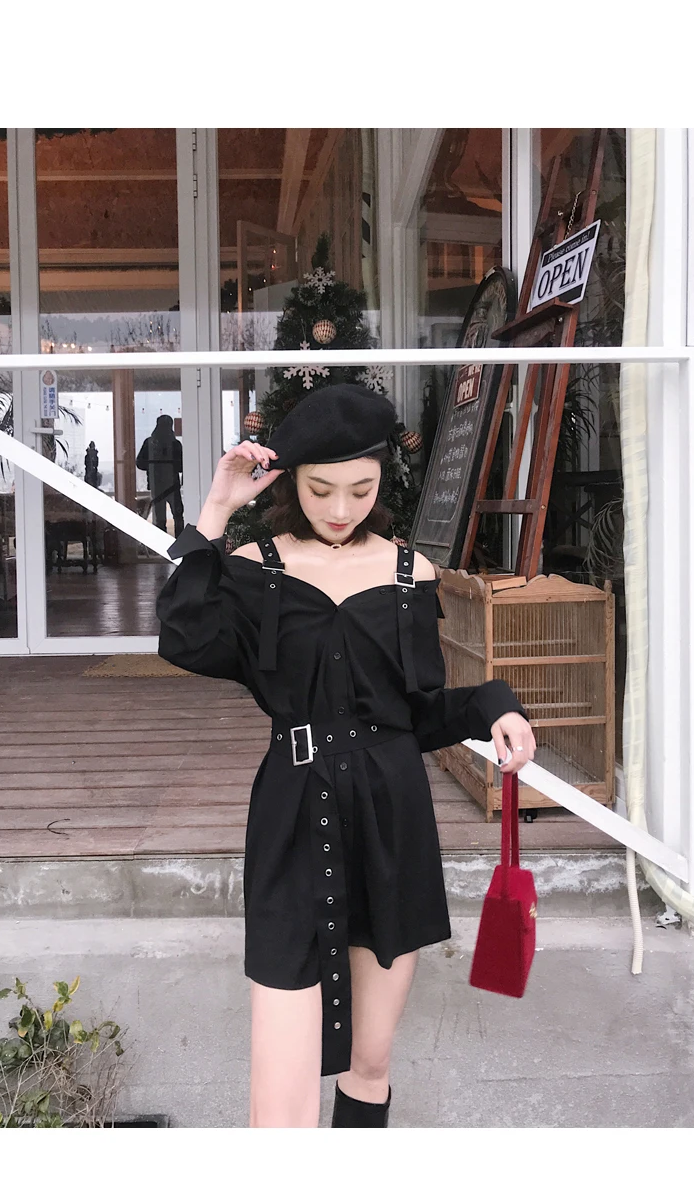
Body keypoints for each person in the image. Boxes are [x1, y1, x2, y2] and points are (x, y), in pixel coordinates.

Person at [156, 384, 536, 1128]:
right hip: (292, 813)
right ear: (291, 483)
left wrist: (495, 701)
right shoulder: (255, 566)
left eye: (360, 490)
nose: (340, 508)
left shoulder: (410, 572)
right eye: (320, 489)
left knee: (370, 1063)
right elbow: (184, 639)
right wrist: (215, 511)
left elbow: (418, 713)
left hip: (392, 815)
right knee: (280, 1097)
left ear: (381, 481)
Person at [136, 412, 184, 535]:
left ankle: (162, 541)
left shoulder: (149, 443)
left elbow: (140, 463)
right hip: (172, 484)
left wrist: (154, 466)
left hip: (157, 484)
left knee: (160, 518)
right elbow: (182, 466)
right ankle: (179, 541)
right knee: (177, 515)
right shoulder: (175, 444)